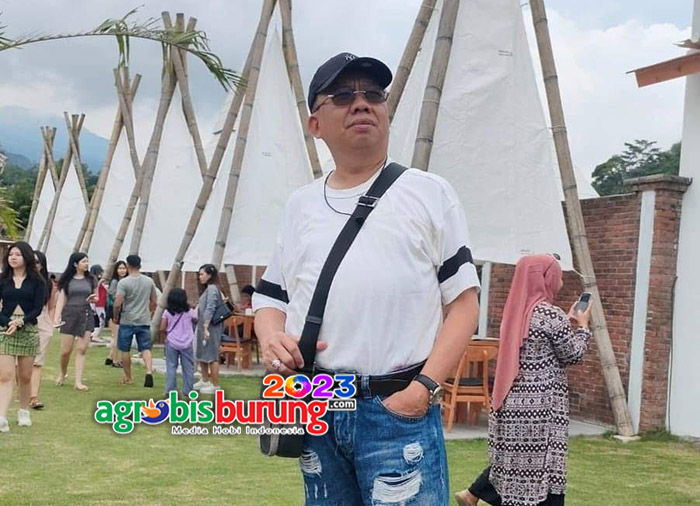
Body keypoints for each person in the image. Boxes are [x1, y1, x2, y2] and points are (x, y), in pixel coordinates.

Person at [253, 53, 480, 505]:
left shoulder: (428, 192)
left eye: (373, 94)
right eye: (342, 96)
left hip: (397, 408)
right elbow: (271, 298)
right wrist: (270, 337)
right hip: (316, 404)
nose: (361, 103)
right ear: (315, 124)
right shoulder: (300, 206)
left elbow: (464, 302)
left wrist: (423, 390)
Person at [455, 255, 592, 506]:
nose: (560, 280)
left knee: (512, 466)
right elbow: (573, 354)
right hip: (541, 407)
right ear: (545, 278)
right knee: (545, 468)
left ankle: (475, 494)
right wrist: (582, 327)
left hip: (511, 401)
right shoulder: (550, 315)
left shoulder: (515, 312)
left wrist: (566, 322)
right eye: (557, 274)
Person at [0, 242, 46, 432]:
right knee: (5, 375)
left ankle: (24, 410)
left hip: (28, 329)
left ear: (26, 257)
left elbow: (37, 308)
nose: (13, 257)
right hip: (5, 330)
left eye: (18, 254)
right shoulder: (3, 279)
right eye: (11, 254)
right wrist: (7, 322)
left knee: (25, 376)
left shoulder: (38, 282)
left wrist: (20, 322)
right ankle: (2, 417)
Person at [54, 252, 98, 391]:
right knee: (65, 351)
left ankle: (78, 382)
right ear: (75, 264)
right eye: (83, 261)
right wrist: (56, 317)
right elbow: (61, 299)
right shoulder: (67, 280)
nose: (86, 264)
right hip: (69, 314)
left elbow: (96, 297)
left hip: (86, 313)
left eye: (87, 261)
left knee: (82, 349)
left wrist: (93, 299)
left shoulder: (91, 279)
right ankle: (63, 373)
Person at [113, 255, 157, 388]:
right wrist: (149, 312)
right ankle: (148, 371)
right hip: (144, 319)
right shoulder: (149, 281)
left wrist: (116, 316)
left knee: (125, 349)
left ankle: (128, 377)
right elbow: (154, 300)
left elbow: (117, 303)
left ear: (128, 266)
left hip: (127, 319)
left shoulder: (124, 283)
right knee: (145, 348)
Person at [29, 250, 56, 410]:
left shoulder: (48, 283)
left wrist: (50, 323)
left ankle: (34, 397)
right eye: (32, 261)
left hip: (43, 322)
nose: (35, 265)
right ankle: (23, 392)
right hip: (22, 321)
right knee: (20, 363)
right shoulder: (17, 280)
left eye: (38, 262)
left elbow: (51, 306)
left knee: (37, 363)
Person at [192, 264, 224, 395]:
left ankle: (216, 384)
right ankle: (205, 379)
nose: (200, 277)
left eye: (202, 274)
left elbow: (211, 307)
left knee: (211, 355)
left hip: (210, 326)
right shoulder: (208, 289)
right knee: (202, 352)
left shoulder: (212, 289)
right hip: (202, 325)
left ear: (209, 275)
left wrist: (206, 326)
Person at [160, 287, 197, 397]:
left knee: (171, 366)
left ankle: (170, 390)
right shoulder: (189, 312)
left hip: (172, 342)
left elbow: (162, 327)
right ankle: (188, 390)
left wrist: (167, 335)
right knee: (188, 367)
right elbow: (196, 319)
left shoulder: (167, 312)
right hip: (187, 342)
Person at [104, 260, 127, 368]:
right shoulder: (114, 282)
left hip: (122, 311)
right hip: (114, 310)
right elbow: (113, 295)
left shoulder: (126, 281)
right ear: (116, 270)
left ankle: (110, 357)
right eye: (120, 268)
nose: (122, 270)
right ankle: (116, 360)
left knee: (116, 336)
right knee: (116, 336)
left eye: (124, 268)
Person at [90, 264, 108, 344]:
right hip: (98, 303)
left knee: (100, 320)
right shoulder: (93, 280)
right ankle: (95, 335)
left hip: (101, 303)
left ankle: (95, 334)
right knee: (101, 320)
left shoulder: (98, 280)